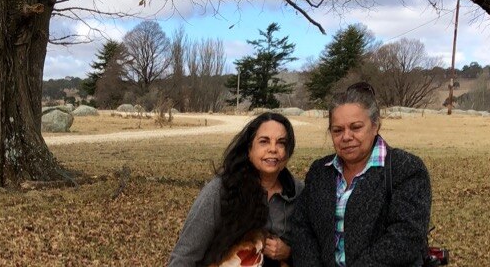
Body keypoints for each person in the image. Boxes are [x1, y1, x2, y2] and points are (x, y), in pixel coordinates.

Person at [291, 82, 432, 266]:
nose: (346, 136)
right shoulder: (320, 171)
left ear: (375, 126)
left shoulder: (405, 169)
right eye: (338, 130)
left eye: (356, 127)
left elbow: (405, 237)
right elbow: (303, 229)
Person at [169, 113, 304, 267]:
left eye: (281, 143)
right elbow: (185, 255)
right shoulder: (221, 189)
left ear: (288, 152)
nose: (273, 149)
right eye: (264, 142)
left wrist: (288, 252)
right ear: (249, 150)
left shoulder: (299, 193)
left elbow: (313, 252)